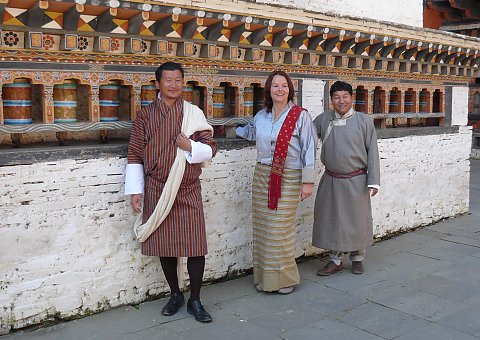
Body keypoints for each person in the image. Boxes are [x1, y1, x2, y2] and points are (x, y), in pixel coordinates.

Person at [124, 62, 217, 323]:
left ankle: (195, 300)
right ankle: (175, 294)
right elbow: (134, 153)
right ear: (157, 84)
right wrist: (135, 190)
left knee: (196, 246)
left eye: (178, 80)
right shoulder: (145, 116)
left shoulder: (193, 113)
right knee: (165, 246)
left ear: (183, 82)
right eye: (168, 80)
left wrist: (190, 146)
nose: (173, 85)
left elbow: (211, 148)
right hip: (156, 187)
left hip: (187, 188)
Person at [237, 70, 317, 294]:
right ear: (268, 90)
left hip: (289, 176)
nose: (280, 89)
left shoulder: (300, 116)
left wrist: (307, 181)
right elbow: (252, 134)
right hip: (262, 176)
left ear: (290, 89)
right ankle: (266, 279)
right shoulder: (261, 116)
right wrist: (223, 129)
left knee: (279, 228)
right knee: (264, 228)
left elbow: (309, 148)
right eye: (275, 86)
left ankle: (285, 279)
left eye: (284, 85)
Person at [312, 80, 380, 276]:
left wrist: (373, 180)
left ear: (351, 98)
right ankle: (335, 260)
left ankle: (357, 258)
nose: (341, 101)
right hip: (331, 179)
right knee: (333, 220)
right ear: (331, 100)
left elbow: (372, 152)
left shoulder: (364, 121)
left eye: (345, 96)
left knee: (357, 220)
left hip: (357, 180)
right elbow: (306, 137)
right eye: (336, 97)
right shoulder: (323, 119)